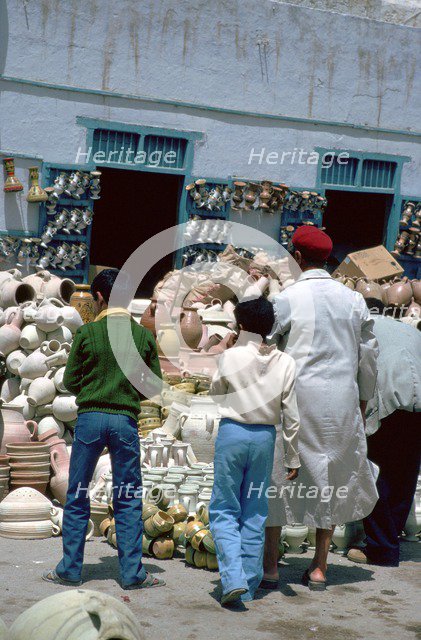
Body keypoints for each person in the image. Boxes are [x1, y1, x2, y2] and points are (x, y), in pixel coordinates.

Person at [263, 226, 379, 590]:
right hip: (341, 400)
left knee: (281, 476)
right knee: (331, 476)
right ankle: (319, 566)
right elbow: (369, 357)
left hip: (295, 400)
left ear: (297, 258)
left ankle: (270, 567)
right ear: (327, 259)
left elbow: (267, 350)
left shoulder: (286, 298)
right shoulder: (354, 300)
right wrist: (362, 401)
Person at [43, 268, 165, 590]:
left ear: (99, 298)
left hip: (90, 421)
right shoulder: (142, 336)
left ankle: (69, 569)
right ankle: (132, 574)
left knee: (78, 494)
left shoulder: (87, 334)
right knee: (127, 497)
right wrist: (127, 392)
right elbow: (154, 387)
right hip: (125, 421)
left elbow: (69, 381)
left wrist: (94, 387)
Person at [209, 297, 301, 606]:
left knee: (224, 508)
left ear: (242, 326)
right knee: (255, 511)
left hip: (232, 433)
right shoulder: (286, 362)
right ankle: (247, 584)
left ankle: (232, 577)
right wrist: (292, 457)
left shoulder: (230, 357)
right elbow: (292, 414)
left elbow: (215, 392)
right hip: (265, 438)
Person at [348, 297, 421, 566]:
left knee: (372, 471)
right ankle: (391, 537)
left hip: (388, 400)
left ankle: (382, 549)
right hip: (418, 404)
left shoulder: (364, 330)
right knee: (405, 472)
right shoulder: (410, 329)